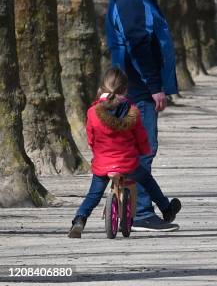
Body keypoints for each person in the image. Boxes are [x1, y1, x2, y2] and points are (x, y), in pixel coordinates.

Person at [105, 0, 179, 232]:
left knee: (136, 149)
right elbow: (138, 44)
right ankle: (142, 212)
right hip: (137, 87)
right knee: (143, 149)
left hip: (133, 84)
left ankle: (129, 207)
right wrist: (154, 86)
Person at [68, 68, 181, 238]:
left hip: (102, 164)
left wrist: (96, 151)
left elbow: (90, 137)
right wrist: (143, 151)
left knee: (93, 195)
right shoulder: (132, 111)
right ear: (126, 90)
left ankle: (79, 220)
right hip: (128, 163)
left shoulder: (92, 112)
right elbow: (141, 138)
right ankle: (167, 210)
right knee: (147, 181)